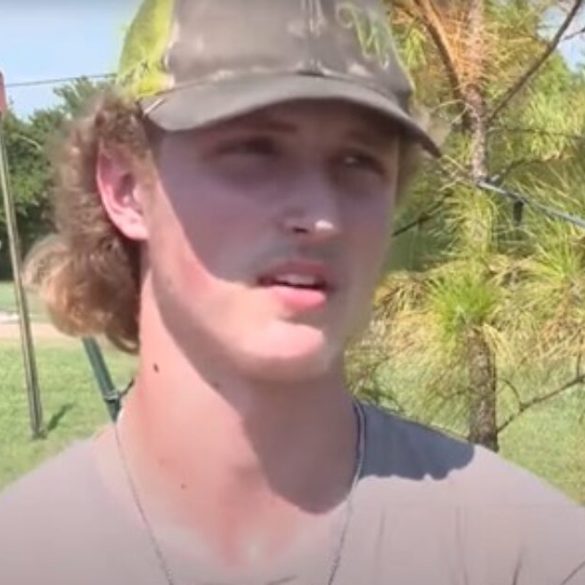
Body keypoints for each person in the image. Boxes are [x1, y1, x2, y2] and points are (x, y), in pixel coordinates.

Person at [1, 1, 584, 584]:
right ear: (127, 186)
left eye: (358, 160)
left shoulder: (527, 557)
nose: (321, 216)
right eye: (254, 150)